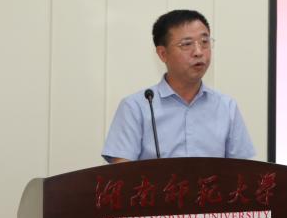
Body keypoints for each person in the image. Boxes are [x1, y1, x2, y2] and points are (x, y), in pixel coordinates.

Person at [102, 9, 256, 163]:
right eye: (187, 44)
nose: (198, 52)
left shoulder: (226, 107)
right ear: (163, 54)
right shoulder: (136, 107)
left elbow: (243, 171)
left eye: (204, 42)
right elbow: (122, 172)